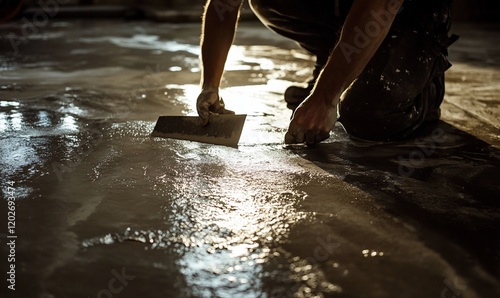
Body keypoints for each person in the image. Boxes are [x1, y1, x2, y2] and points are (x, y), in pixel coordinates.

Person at [196, 0, 457, 144]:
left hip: (407, 11)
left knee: (367, 114)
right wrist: (210, 86)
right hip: (346, 7)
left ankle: (426, 85)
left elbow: (380, 6)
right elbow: (224, 5)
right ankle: (334, 62)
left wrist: (325, 98)